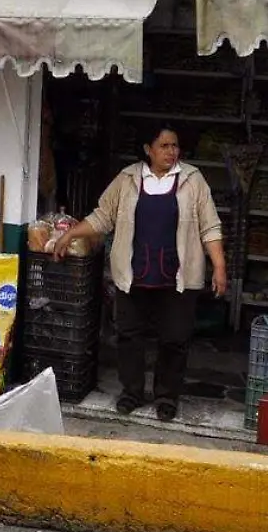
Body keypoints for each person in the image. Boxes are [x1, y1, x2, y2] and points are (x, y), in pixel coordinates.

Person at [47, 125, 226, 422]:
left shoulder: (193, 180)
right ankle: (131, 392)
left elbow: (210, 226)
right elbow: (103, 216)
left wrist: (219, 266)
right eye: (164, 146)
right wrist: (70, 235)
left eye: (175, 146)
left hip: (177, 276)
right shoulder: (128, 179)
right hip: (135, 273)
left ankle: (167, 396)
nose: (171, 152)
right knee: (129, 336)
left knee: (175, 339)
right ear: (148, 149)